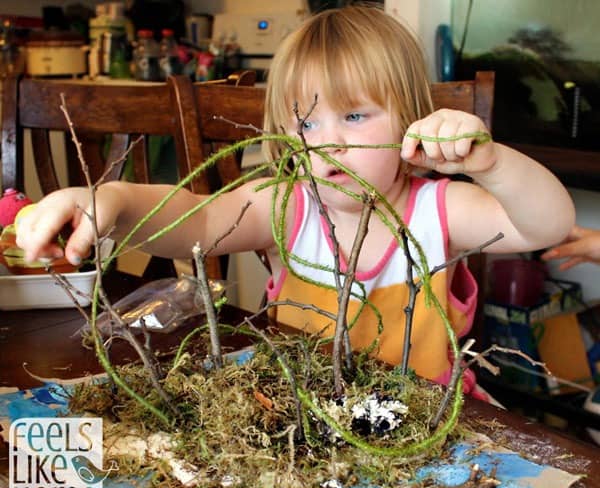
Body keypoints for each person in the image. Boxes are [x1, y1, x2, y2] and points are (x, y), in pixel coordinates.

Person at [15, 5, 575, 400]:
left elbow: (547, 225)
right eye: (305, 122)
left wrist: (494, 164)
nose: (326, 142)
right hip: (304, 418)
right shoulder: (287, 204)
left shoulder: (440, 210)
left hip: (425, 430)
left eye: (354, 116)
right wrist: (112, 199)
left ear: (411, 120)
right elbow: (199, 218)